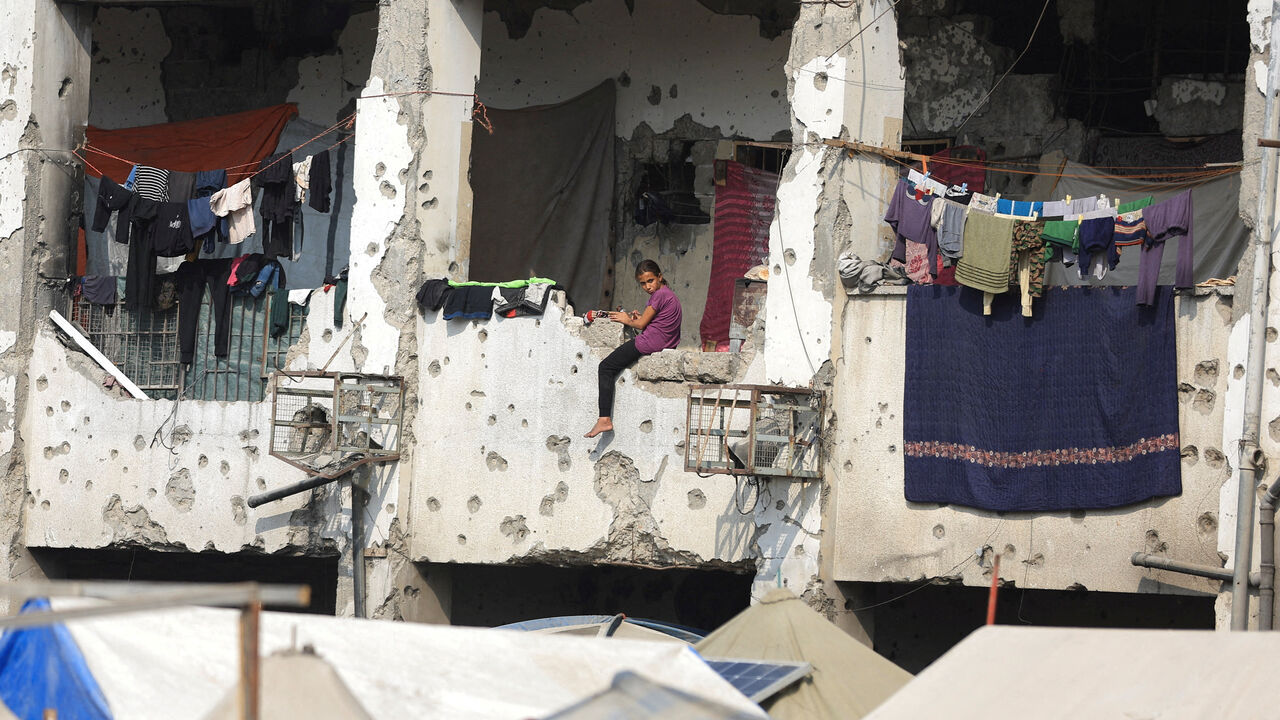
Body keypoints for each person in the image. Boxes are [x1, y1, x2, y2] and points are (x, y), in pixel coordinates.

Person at [584, 260, 682, 438]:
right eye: (643, 283)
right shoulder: (668, 294)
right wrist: (636, 318)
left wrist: (626, 319)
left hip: (650, 342)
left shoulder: (658, 296)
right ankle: (603, 419)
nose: (647, 286)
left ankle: (604, 419)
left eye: (650, 281)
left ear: (660, 277)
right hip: (665, 342)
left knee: (605, 367)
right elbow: (651, 322)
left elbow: (642, 324)